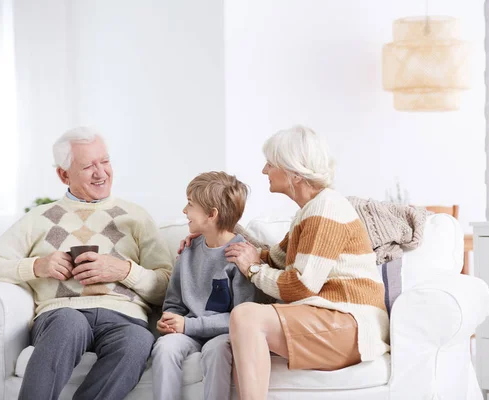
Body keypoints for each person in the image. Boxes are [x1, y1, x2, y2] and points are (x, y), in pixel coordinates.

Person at [0, 127, 173, 400]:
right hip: (61, 313)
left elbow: (167, 287)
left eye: (105, 161)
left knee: (137, 341)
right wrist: (36, 266)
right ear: (63, 174)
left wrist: (125, 271)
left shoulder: (136, 217)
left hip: (124, 318)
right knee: (69, 323)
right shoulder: (40, 217)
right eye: (88, 166)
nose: (101, 172)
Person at [224, 125, 390, 399]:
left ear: (293, 172)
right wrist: (218, 232)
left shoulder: (326, 208)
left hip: (351, 323)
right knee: (241, 328)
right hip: (333, 318)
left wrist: (253, 270)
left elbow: (300, 285)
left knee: (246, 317)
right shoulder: (310, 210)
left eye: (270, 164)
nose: (264, 171)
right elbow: (274, 258)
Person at [152, 171, 268, 400]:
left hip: (223, 332)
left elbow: (240, 317)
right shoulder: (188, 250)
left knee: (217, 350)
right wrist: (170, 319)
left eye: (190, 204)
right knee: (164, 348)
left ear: (211, 215)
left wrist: (188, 325)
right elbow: (174, 301)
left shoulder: (240, 257)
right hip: (189, 329)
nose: (185, 211)